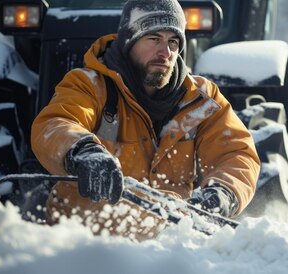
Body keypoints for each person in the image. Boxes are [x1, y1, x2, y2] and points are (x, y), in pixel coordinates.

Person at [31, 0, 260, 238]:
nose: (166, 52)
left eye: (173, 42)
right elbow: (55, 123)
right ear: (128, 41)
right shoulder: (88, 85)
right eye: (154, 38)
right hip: (83, 243)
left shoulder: (202, 99)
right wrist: (83, 151)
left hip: (168, 248)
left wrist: (222, 193)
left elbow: (236, 153)